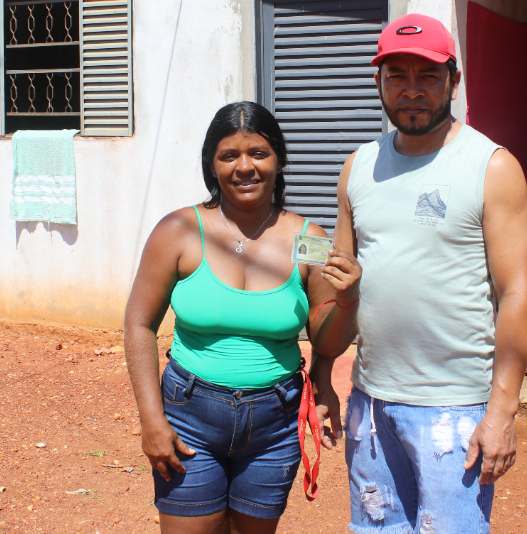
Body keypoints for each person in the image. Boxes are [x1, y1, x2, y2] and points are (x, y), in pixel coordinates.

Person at [312, 13, 527, 534]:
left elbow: (518, 293)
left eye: (428, 76)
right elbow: (340, 288)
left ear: (453, 81)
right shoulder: (358, 167)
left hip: (454, 409)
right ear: (378, 81)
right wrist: (323, 376)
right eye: (397, 76)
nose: (411, 90)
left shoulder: (491, 166)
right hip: (371, 406)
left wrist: (502, 409)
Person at [124, 101, 361, 534]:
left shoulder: (309, 240)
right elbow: (139, 325)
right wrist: (151, 420)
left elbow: (327, 342)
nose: (245, 167)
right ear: (211, 166)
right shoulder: (178, 231)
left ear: (279, 161)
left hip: (275, 423)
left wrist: (348, 298)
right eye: (229, 155)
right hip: (188, 416)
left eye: (258, 153)